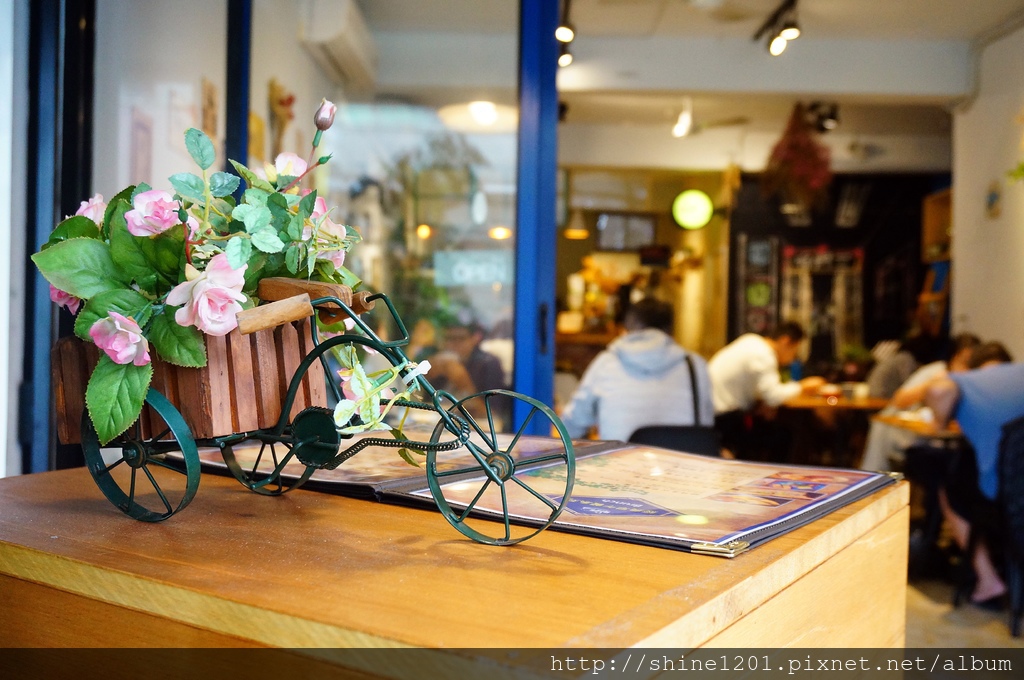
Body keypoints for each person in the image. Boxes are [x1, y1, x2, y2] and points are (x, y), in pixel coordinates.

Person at [926, 347, 1022, 606]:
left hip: (1007, 498)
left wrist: (940, 421)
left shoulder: (967, 381)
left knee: (950, 490)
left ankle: (989, 580)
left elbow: (937, 391)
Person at [559, 298, 714, 442]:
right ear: (671, 331)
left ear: (626, 329)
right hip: (684, 468)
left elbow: (572, 424)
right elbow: (705, 425)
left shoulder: (606, 363)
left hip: (620, 466)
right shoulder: (695, 365)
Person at [859, 332, 980, 471]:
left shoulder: (975, 380)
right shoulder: (937, 372)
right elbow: (899, 399)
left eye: (973, 363)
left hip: (947, 438)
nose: (967, 369)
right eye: (963, 362)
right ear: (952, 358)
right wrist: (930, 386)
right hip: (907, 434)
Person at [707, 321, 825, 460]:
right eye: (795, 351)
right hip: (724, 421)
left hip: (712, 415)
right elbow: (773, 396)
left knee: (775, 428)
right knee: (784, 435)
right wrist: (803, 386)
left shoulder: (750, 341)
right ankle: (774, 478)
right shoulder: (763, 355)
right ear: (785, 341)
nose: (793, 359)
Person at [865, 334, 936, 400]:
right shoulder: (906, 358)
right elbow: (908, 382)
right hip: (881, 394)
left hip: (875, 391)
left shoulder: (900, 356)